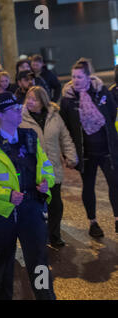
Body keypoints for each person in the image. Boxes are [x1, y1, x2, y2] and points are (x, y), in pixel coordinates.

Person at [0, 92, 56, 300]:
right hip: (1, 213)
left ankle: (45, 297)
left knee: (39, 262)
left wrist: (47, 182)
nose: (21, 111)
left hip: (31, 208)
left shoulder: (30, 136)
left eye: (19, 108)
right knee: (3, 263)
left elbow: (45, 165)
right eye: (15, 109)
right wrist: (7, 195)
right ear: (0, 114)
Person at [60, 59, 118, 236]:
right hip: (86, 152)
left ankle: (117, 219)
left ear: (88, 76)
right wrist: (68, 153)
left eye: (79, 77)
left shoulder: (101, 91)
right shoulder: (68, 99)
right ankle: (93, 222)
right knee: (88, 186)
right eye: (73, 77)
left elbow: (112, 111)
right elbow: (66, 127)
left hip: (107, 148)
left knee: (115, 184)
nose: (76, 80)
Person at [20, 86, 78, 247]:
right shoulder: (21, 118)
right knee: (35, 206)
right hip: (32, 170)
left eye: (34, 99)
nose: (30, 102)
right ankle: (37, 236)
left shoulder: (54, 117)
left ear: (42, 101)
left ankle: (54, 234)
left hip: (53, 168)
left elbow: (65, 138)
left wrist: (71, 156)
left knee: (56, 204)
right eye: (28, 98)